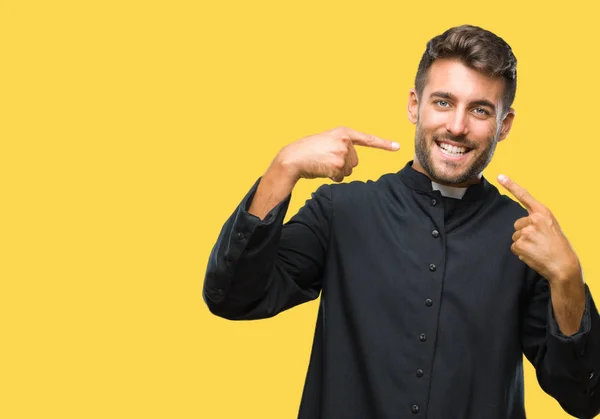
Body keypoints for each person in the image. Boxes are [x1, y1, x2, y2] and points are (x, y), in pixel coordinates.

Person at [203, 25, 600, 418]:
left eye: (480, 110)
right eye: (443, 102)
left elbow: (585, 398)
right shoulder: (341, 210)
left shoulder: (524, 239)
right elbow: (233, 296)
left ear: (505, 124)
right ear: (414, 105)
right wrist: (282, 168)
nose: (458, 126)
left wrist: (567, 279)